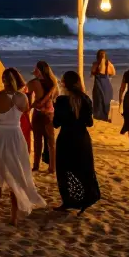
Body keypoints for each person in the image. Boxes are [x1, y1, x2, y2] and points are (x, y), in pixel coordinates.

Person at [0, 68, 46, 225]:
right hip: (15, 134)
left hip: (0, 134)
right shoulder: (22, 97)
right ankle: (13, 217)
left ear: (3, 80)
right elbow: (24, 111)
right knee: (15, 172)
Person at [53, 71, 102, 214]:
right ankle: (86, 199)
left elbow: (56, 123)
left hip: (66, 139)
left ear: (64, 83)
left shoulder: (61, 101)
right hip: (81, 139)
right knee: (83, 169)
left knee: (64, 171)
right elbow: (89, 123)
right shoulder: (85, 99)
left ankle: (68, 201)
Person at [27, 61, 58, 173]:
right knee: (51, 142)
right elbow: (55, 99)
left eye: (36, 69)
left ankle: (36, 166)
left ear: (39, 71)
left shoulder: (33, 83)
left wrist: (30, 107)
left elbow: (28, 100)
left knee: (37, 141)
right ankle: (52, 167)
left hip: (38, 113)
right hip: (49, 113)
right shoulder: (53, 83)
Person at [90, 50, 115, 122]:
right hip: (107, 85)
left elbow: (92, 74)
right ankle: (105, 117)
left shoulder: (95, 64)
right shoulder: (108, 63)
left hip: (98, 85)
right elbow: (113, 73)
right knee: (106, 101)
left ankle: (98, 117)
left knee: (98, 101)